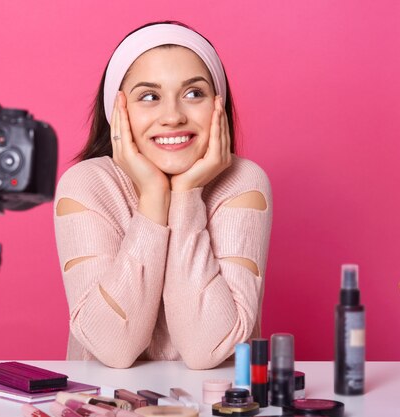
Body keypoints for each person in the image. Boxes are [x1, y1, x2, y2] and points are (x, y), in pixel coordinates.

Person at [53, 21, 272, 369]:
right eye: (149, 97)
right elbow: (114, 347)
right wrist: (154, 199)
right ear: (118, 112)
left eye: (193, 93)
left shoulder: (242, 181)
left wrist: (186, 194)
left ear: (218, 104)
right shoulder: (86, 184)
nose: (172, 116)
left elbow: (207, 348)